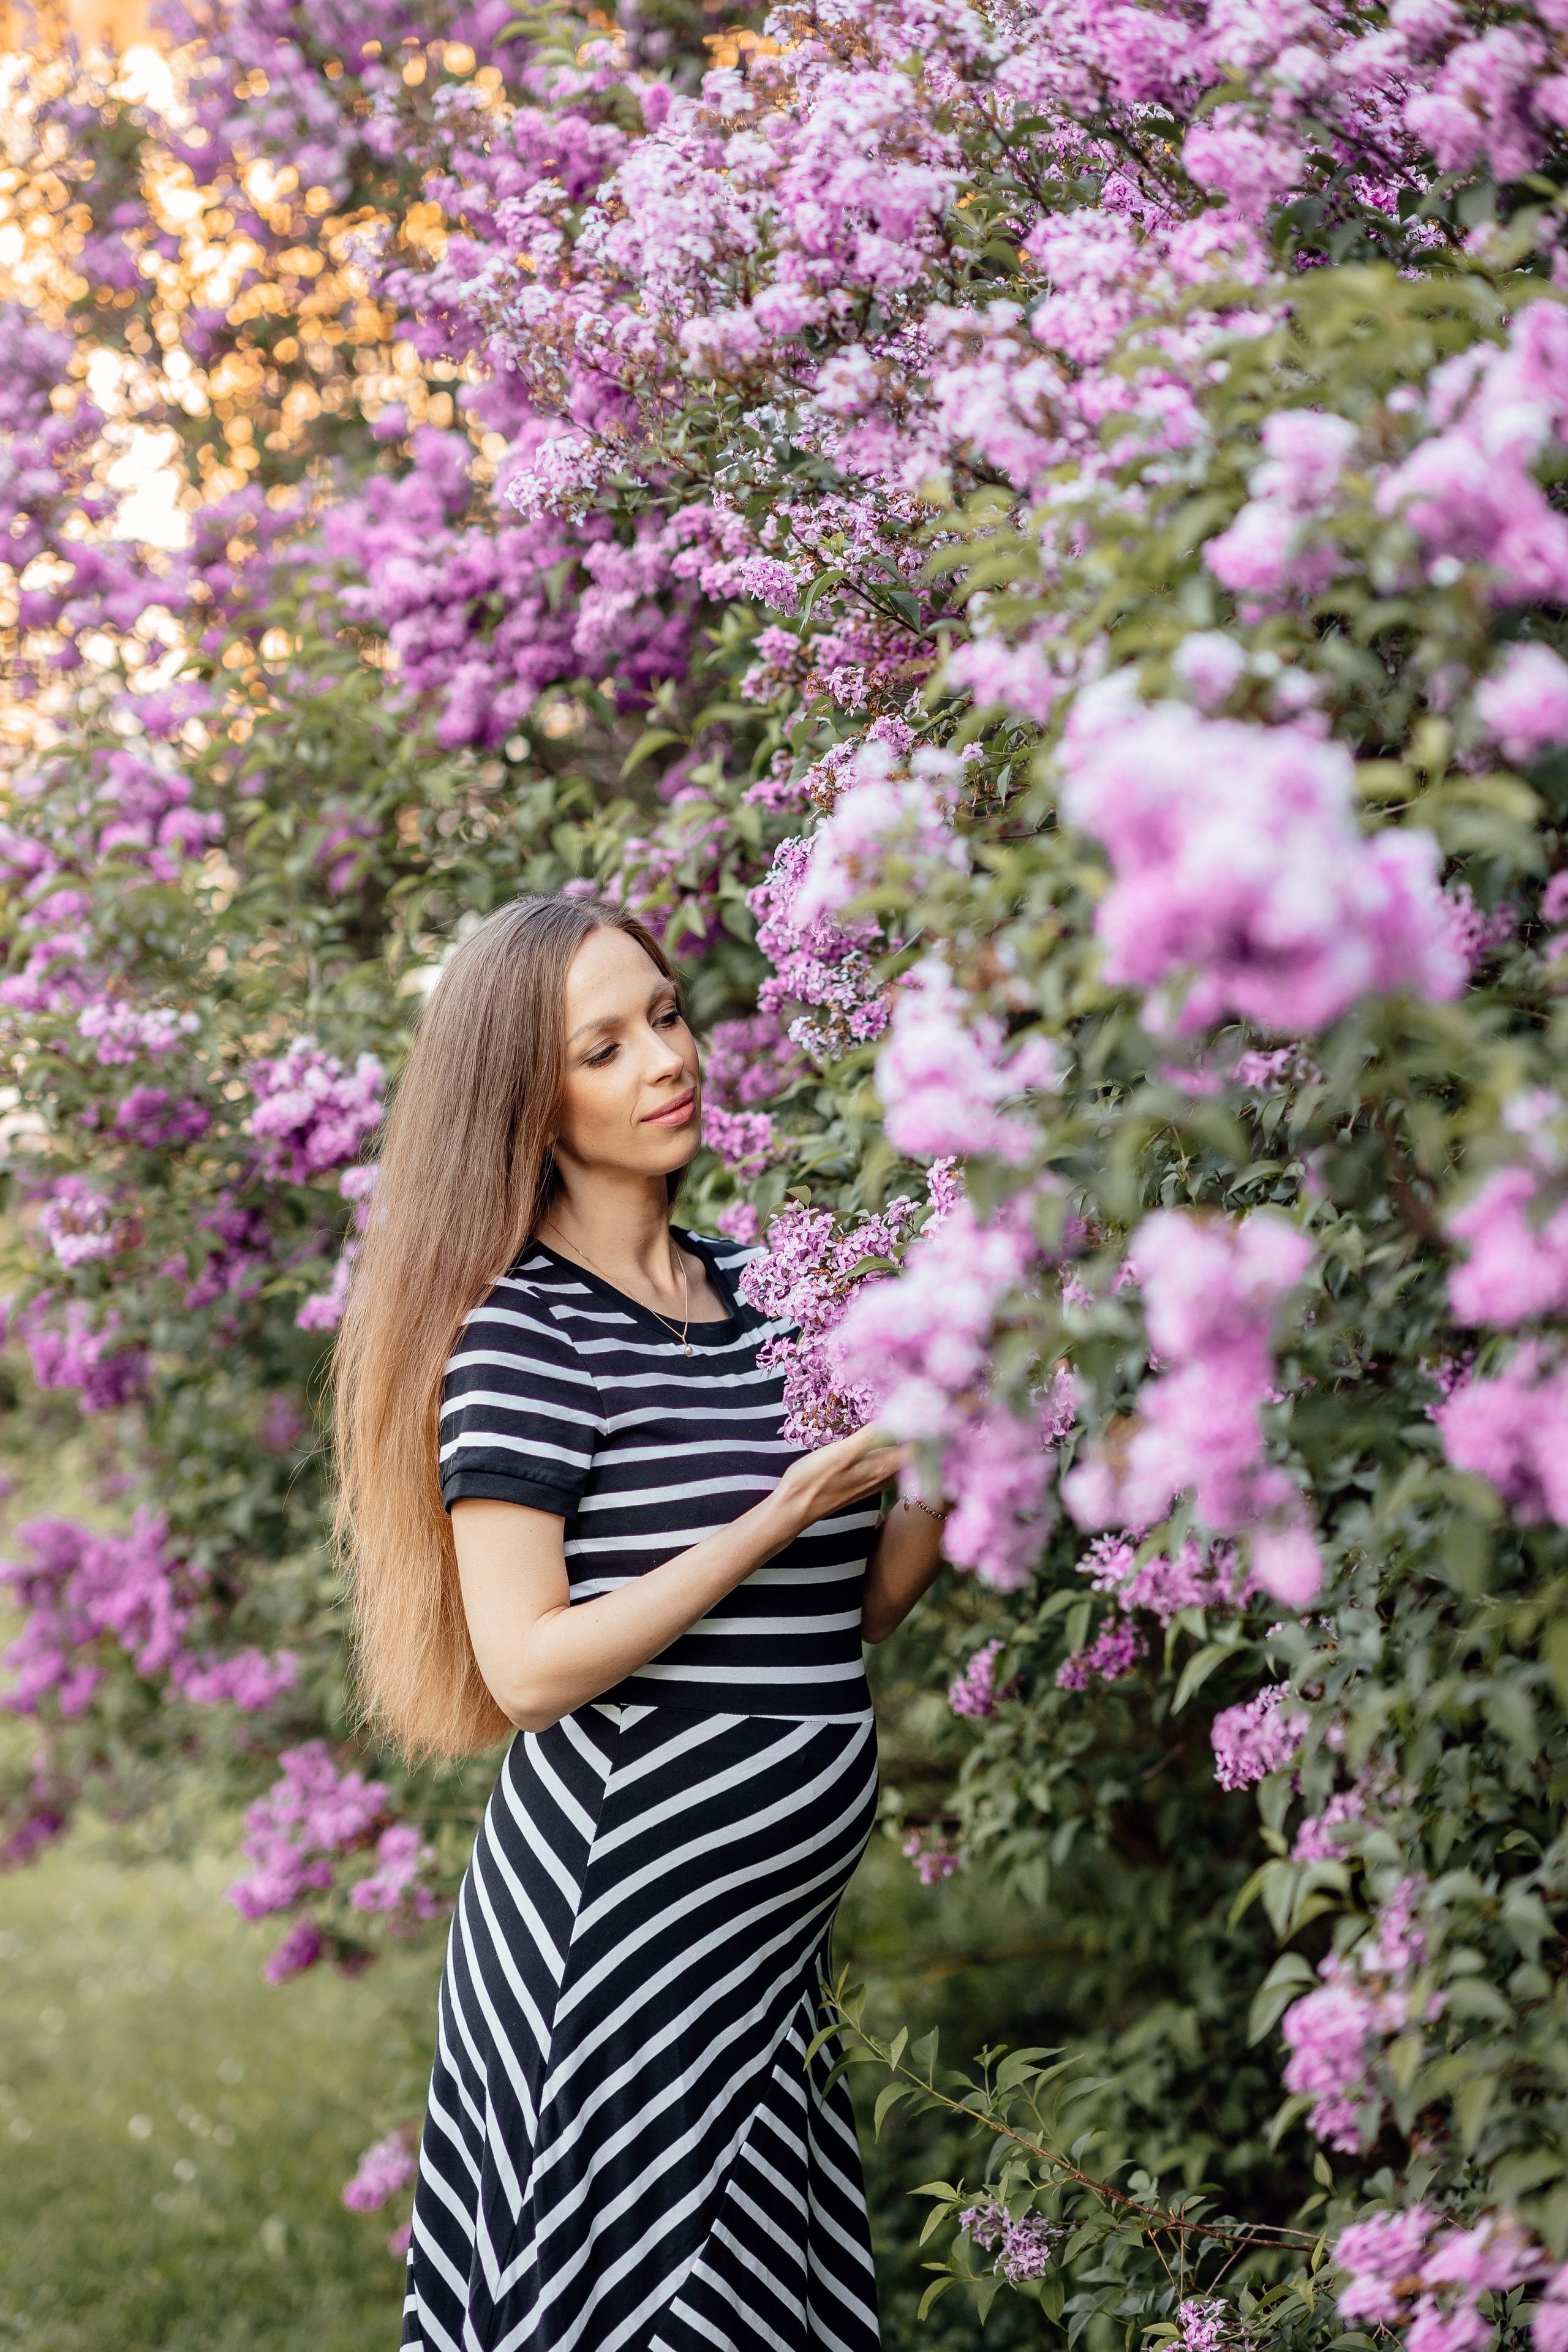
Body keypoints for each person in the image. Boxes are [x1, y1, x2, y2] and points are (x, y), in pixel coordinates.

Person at [334, 892, 948, 2352]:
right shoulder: (525, 1337)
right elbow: (529, 1663)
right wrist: (774, 1515)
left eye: (663, 1016)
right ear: (525, 1101)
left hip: (753, 1967)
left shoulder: (765, 1295)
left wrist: (939, 1441)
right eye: (601, 1047)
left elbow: (854, 1609)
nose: (662, 1059)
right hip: (616, 1953)